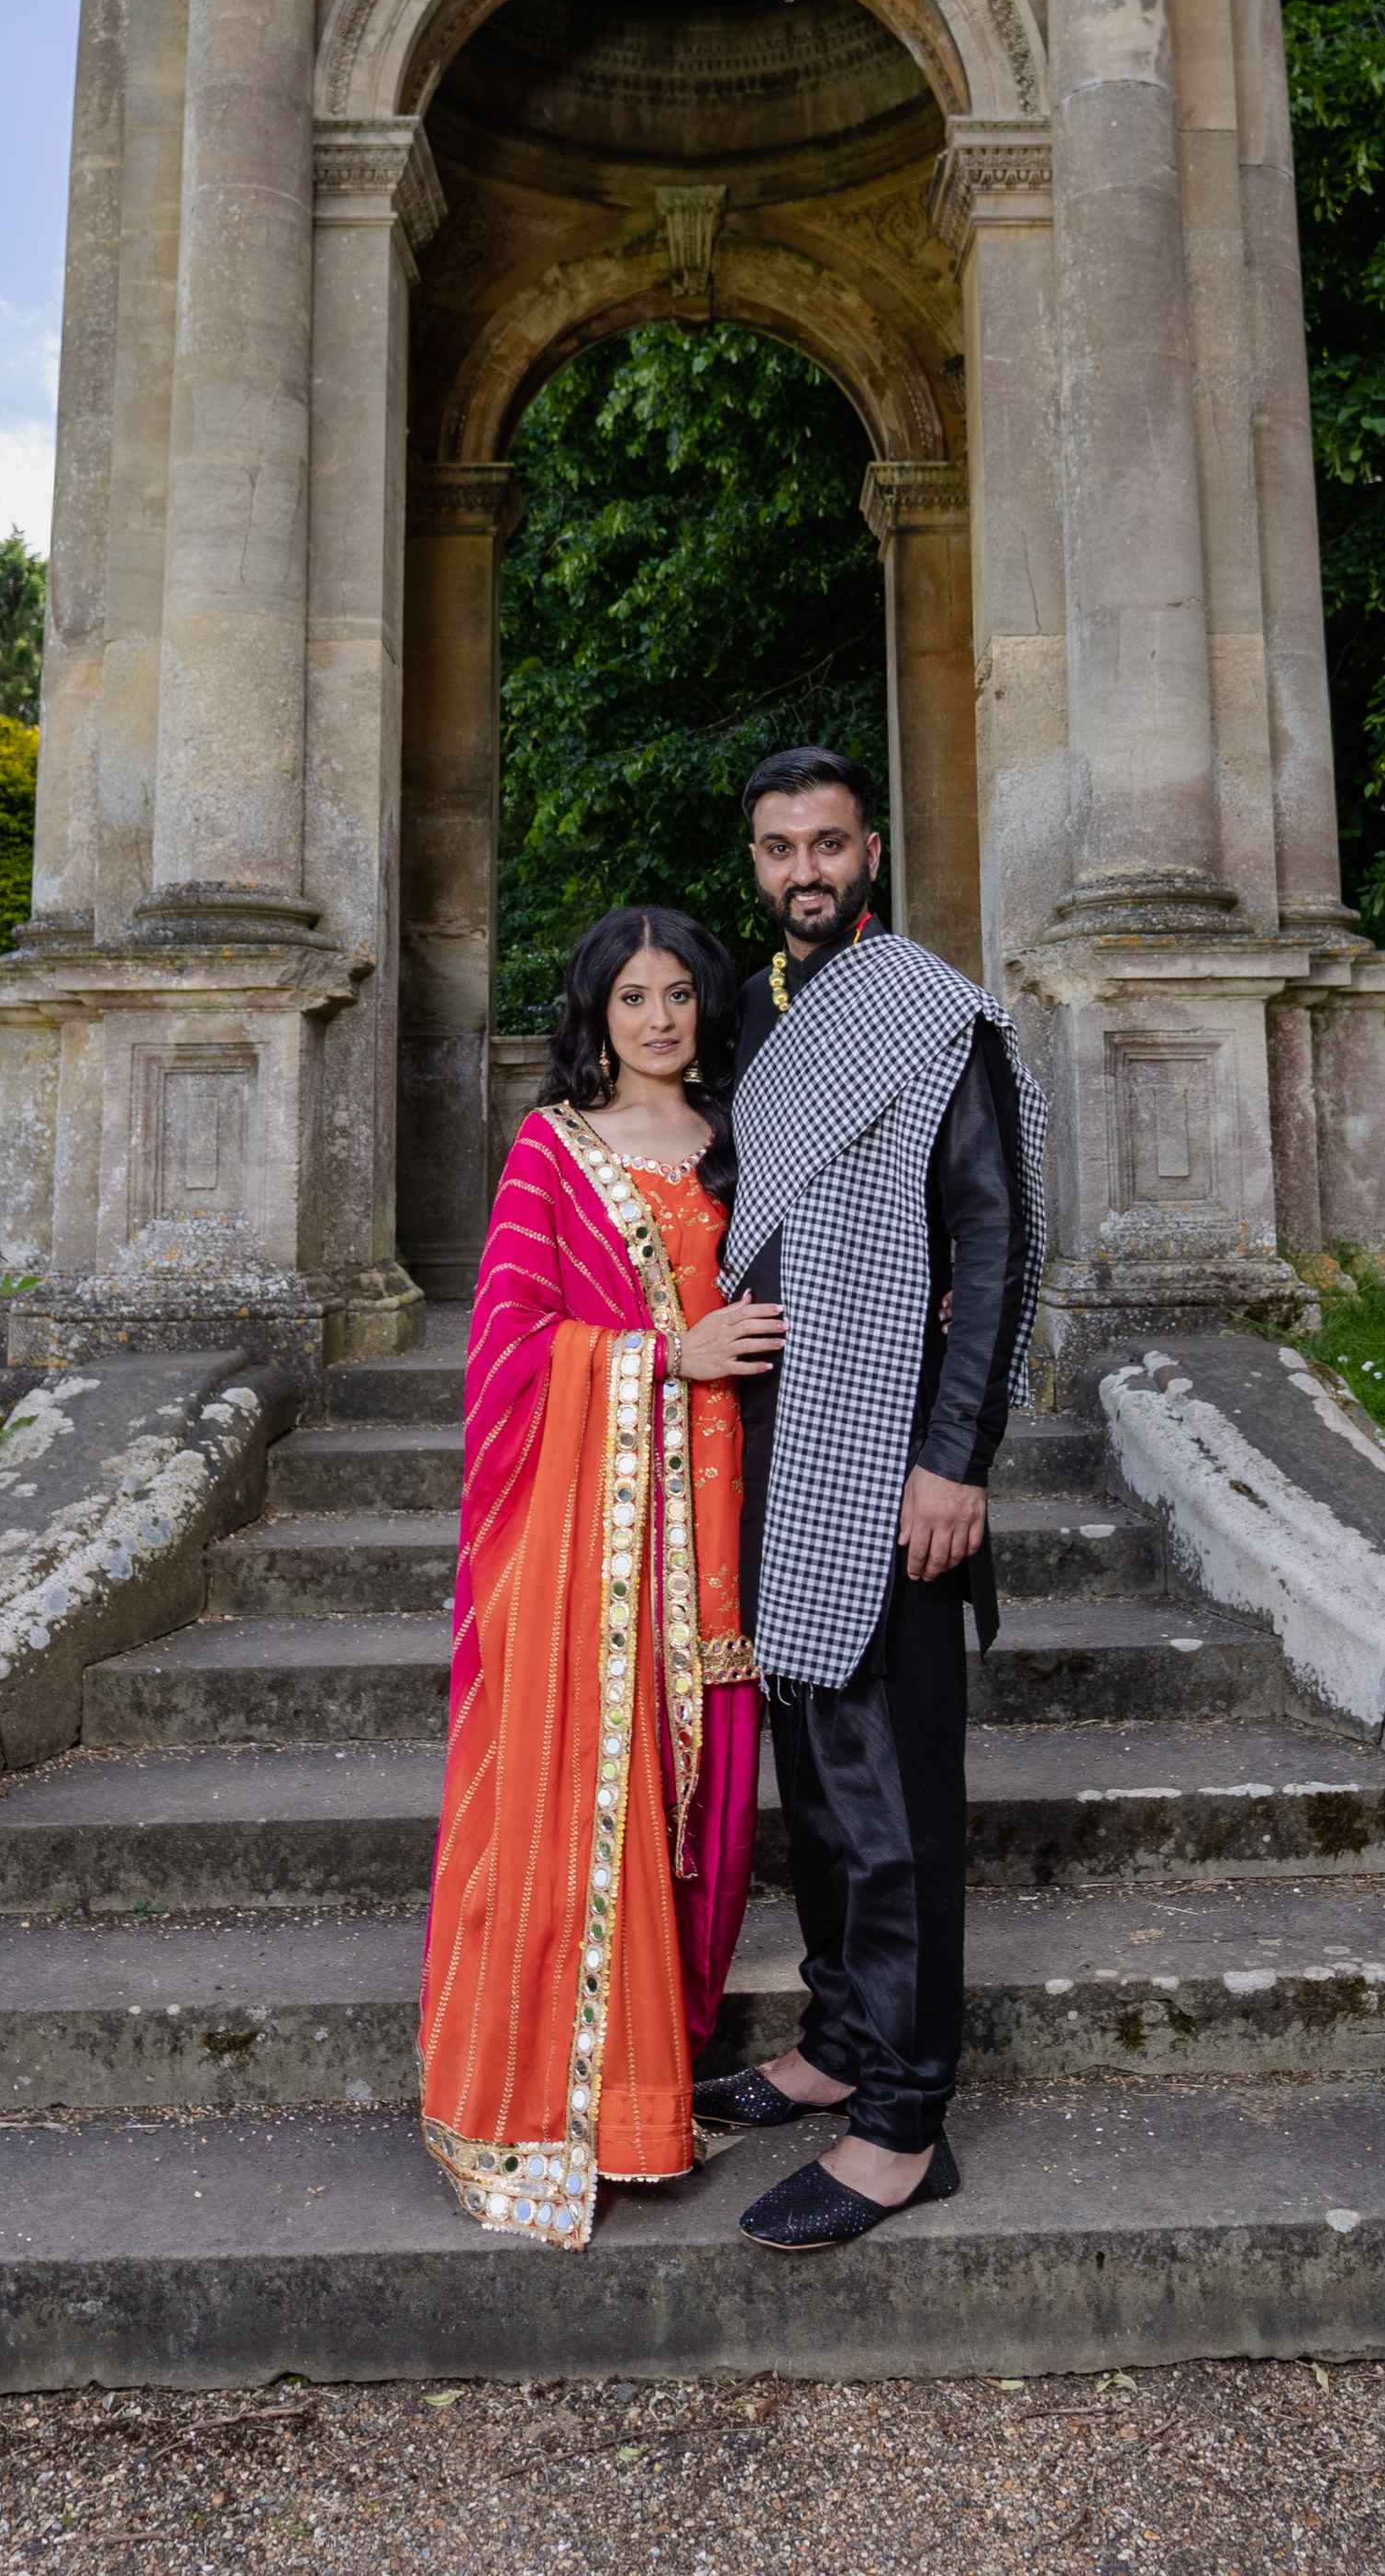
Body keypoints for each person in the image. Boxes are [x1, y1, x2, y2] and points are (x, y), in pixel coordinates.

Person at [701, 747, 1046, 2251]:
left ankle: (905, 2120)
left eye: (828, 846)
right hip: (779, 1458)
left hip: (893, 1459)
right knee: (821, 1788)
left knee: (894, 1800)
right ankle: (842, 2038)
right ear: (759, 865)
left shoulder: (931, 1013)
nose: (804, 873)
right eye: (780, 850)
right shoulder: (776, 1030)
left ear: (874, 853)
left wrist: (955, 1459)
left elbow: (999, 1244)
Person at [413, 904, 784, 2244]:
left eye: (681, 993)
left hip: (740, 1546)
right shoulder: (551, 1153)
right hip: (604, 1560)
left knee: (712, 1822)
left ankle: (659, 2076)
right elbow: (507, 1357)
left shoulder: (753, 1146)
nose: (660, 1020)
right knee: (604, 1810)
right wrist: (660, 1358)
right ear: (595, 1013)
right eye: (633, 997)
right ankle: (584, 2112)